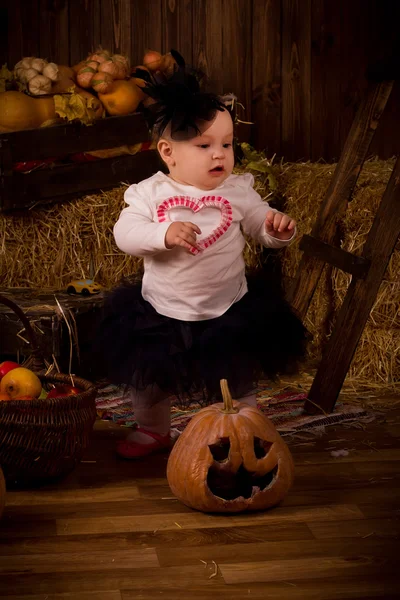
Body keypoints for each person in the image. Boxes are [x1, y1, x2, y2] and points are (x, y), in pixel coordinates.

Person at [96, 57, 306, 459]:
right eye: (205, 145)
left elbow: (259, 223)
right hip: (163, 308)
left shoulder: (238, 190)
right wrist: (163, 233)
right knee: (151, 378)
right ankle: (154, 429)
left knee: (238, 374)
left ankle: (245, 428)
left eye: (226, 144)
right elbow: (125, 234)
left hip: (227, 307)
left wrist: (275, 229)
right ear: (168, 152)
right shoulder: (148, 194)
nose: (219, 156)